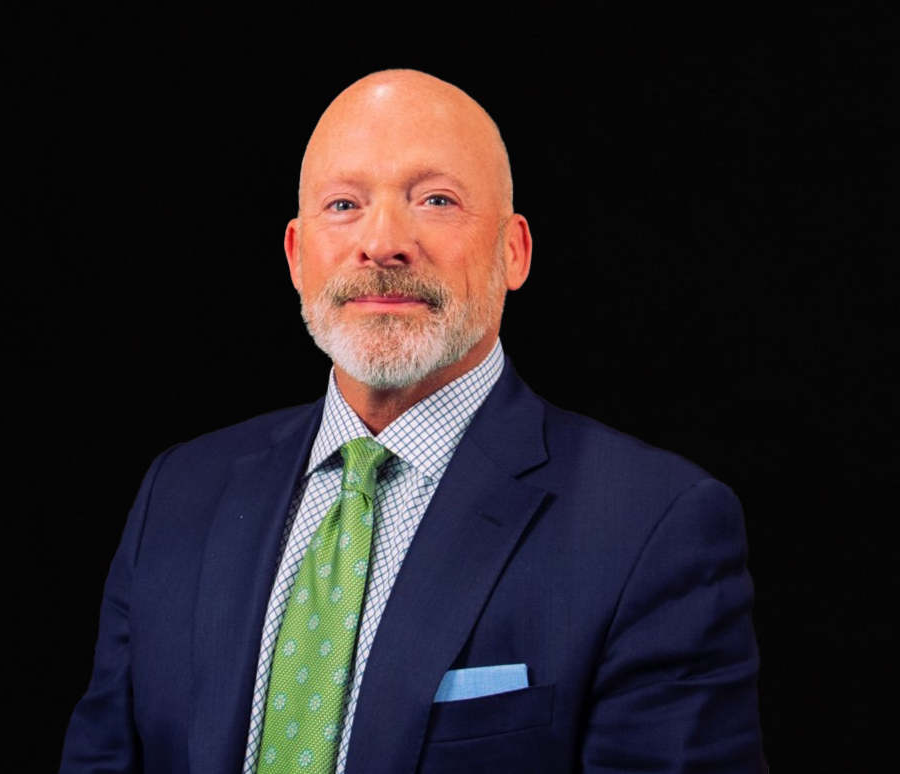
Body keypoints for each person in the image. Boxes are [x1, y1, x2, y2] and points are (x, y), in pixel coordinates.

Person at [59, 69, 764, 773]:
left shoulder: (652, 525)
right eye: (344, 204)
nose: (383, 243)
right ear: (297, 257)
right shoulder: (177, 494)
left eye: (435, 200)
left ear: (513, 251)